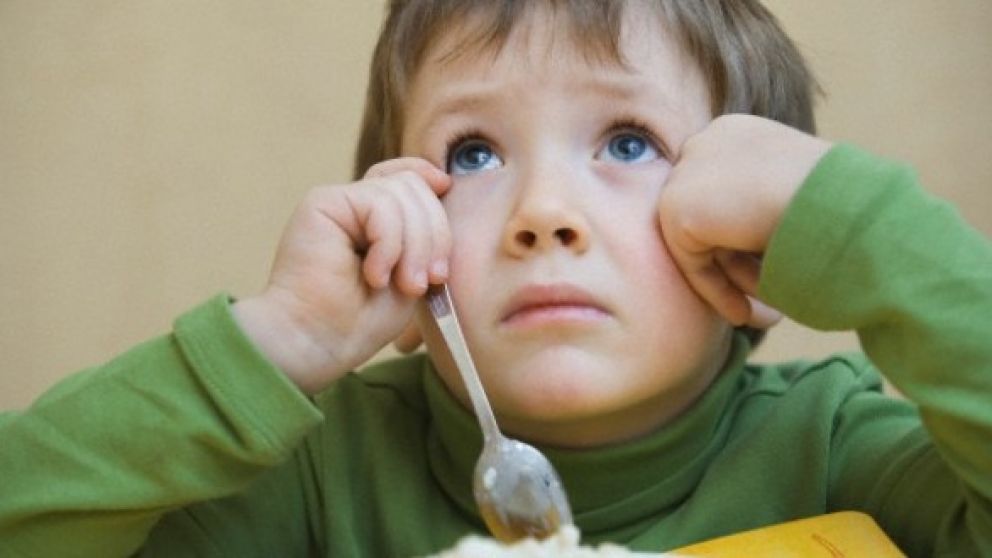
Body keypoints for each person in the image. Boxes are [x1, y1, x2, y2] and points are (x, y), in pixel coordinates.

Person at [1, 0, 989, 556]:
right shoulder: (317, 482)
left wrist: (855, 230)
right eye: (472, 155)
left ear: (759, 250)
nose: (539, 213)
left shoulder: (830, 447)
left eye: (628, 140)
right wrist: (277, 345)